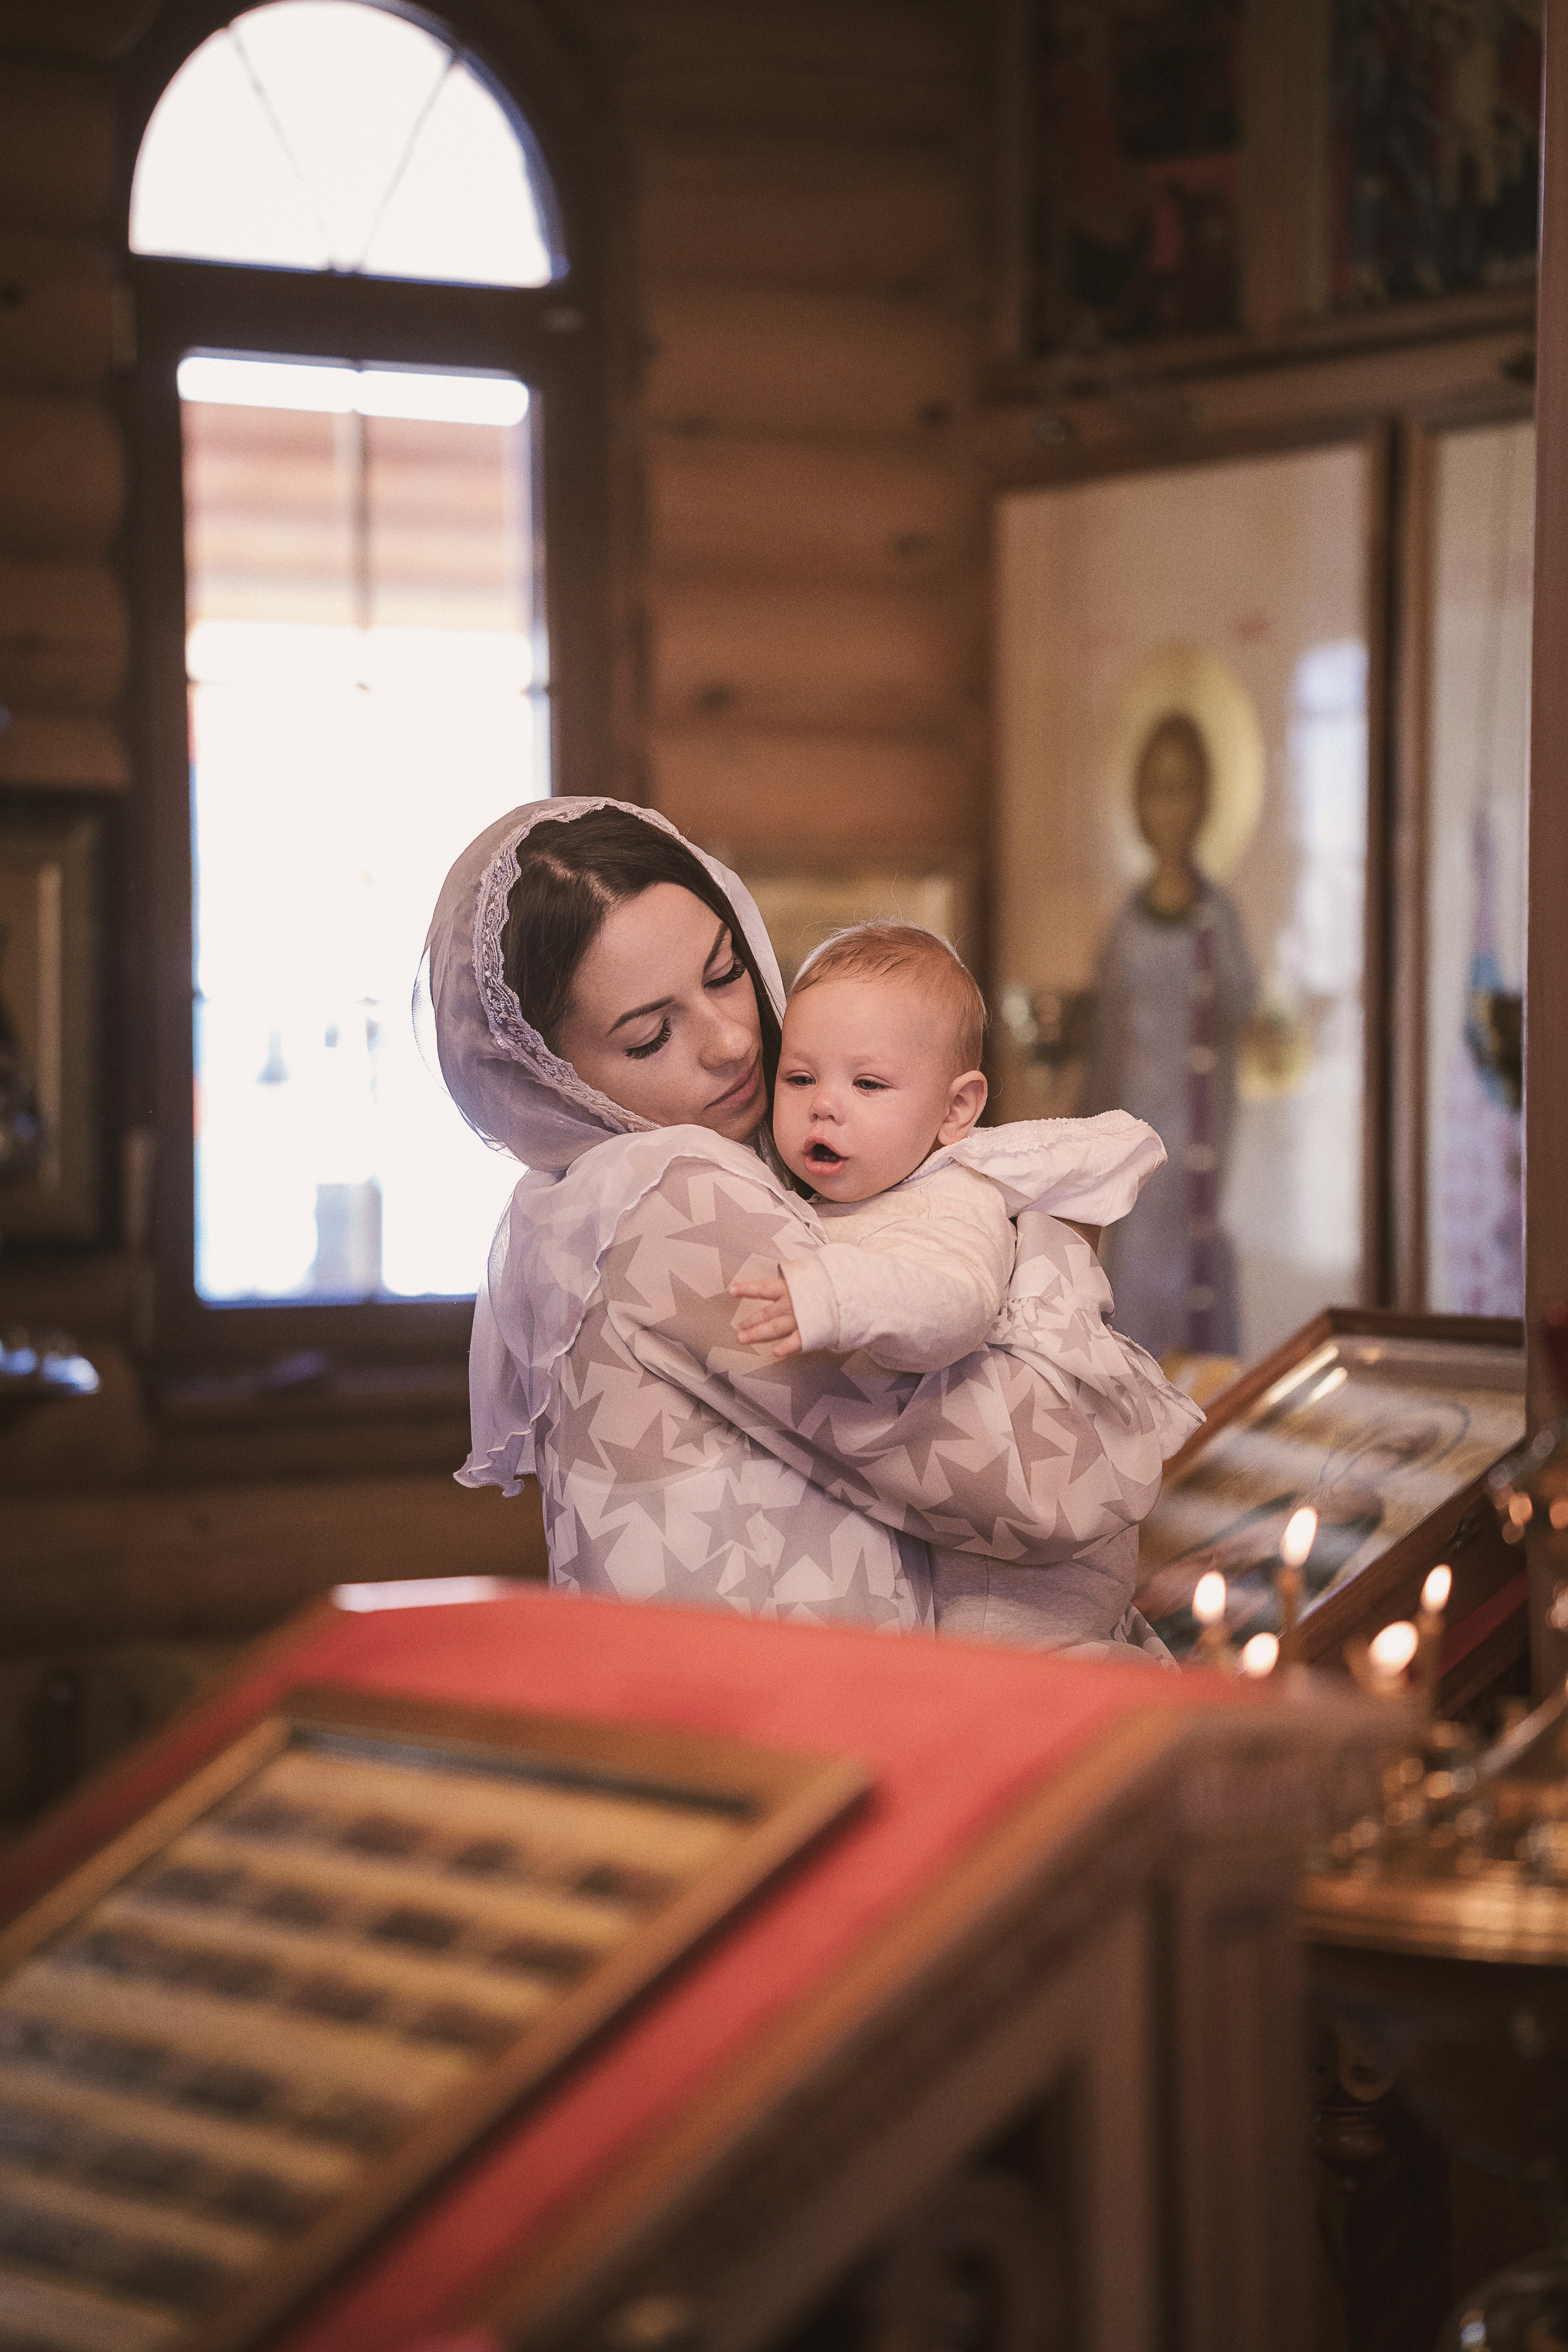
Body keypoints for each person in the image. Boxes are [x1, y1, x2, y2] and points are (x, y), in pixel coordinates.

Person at [424, 797, 1190, 1645]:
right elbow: (1056, 1487)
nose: (730, 1041)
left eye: (724, 974)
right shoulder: (662, 1200)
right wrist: (1058, 1238)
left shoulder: (594, 1204)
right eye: (650, 1037)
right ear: (551, 1079)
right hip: (784, 1708)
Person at [726, 924, 1200, 1649]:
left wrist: (833, 1295)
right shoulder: (853, 1194)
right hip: (980, 1530)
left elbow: (955, 1305)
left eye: (867, 1083)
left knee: (1015, 1681)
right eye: (800, 1078)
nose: (824, 1105)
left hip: (1031, 1567)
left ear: (955, 1111)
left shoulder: (951, 1197)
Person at [1081, 709, 1256, 1359]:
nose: (1170, 809)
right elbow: (1106, 1045)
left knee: (1201, 1314)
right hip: (1139, 1155)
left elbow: (1245, 1011)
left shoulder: (1218, 917)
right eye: (1157, 790)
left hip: (1205, 1158)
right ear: (1138, 802)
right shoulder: (1127, 925)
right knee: (1137, 1302)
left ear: (1205, 800)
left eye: (1182, 790)